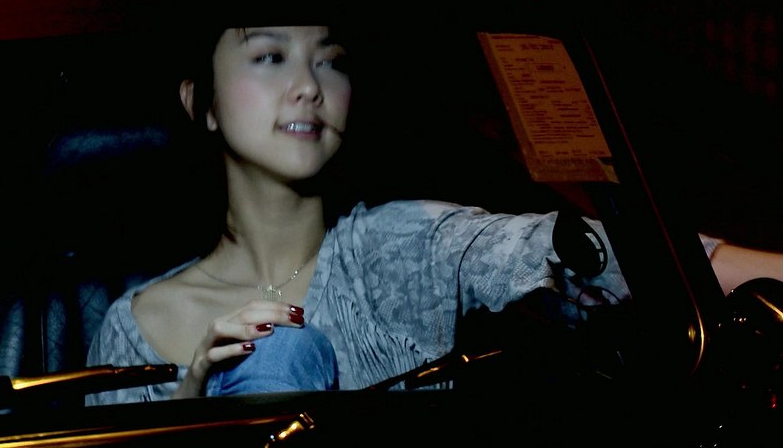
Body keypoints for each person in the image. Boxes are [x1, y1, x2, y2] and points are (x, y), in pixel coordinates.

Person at [85, 20, 783, 407]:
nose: (307, 86)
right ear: (200, 102)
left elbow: (593, 253)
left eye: (331, 61)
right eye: (269, 56)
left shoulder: (399, 246)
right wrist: (194, 407)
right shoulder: (133, 328)